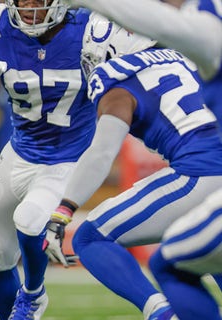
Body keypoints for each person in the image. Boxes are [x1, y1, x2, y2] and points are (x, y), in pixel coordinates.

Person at [44, 14, 222, 320]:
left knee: (89, 237)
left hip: (201, 171)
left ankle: (163, 314)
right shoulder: (183, 57)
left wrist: (63, 211)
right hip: (209, 163)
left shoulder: (117, 78)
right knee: (206, 252)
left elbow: (101, 153)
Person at [0, 1, 96, 319]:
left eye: (37, 0)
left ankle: (34, 292)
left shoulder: (91, 30)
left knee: (30, 219)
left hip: (66, 158)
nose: (28, 7)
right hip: (20, 152)